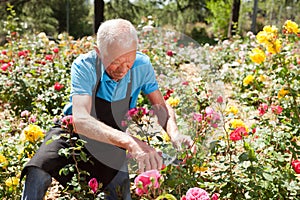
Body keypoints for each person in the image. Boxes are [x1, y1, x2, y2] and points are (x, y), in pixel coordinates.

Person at [21, 18, 194, 200]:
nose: (123, 70)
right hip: (72, 135)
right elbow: (81, 120)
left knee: (120, 193)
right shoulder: (85, 66)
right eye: (116, 63)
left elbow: (161, 106)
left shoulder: (142, 65)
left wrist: (174, 134)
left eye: (129, 62)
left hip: (113, 141)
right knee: (38, 170)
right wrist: (131, 142)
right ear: (99, 52)